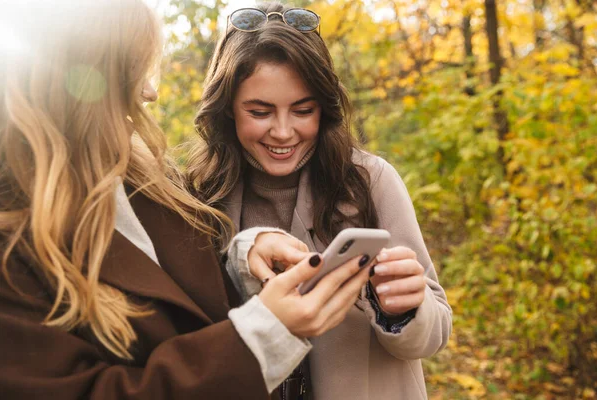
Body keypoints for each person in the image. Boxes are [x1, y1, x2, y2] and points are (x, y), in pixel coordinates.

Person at [0, 1, 373, 399]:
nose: (151, 92)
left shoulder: (148, 179)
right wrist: (265, 338)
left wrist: (247, 253)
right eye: (131, 71)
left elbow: (195, 291)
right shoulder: (13, 243)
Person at [187, 3, 453, 399]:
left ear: (325, 108)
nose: (282, 131)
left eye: (303, 110)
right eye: (260, 111)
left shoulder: (370, 181)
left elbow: (433, 335)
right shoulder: (198, 196)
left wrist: (403, 310)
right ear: (227, 109)